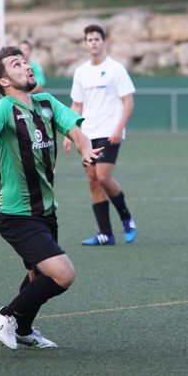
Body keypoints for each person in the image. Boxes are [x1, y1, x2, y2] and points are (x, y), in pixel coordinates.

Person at [0, 46, 102, 351]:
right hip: (15, 214)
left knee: (37, 275)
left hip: (46, 211)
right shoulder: (1, 110)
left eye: (25, 61)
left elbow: (75, 131)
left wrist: (85, 149)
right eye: (17, 64)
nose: (27, 66)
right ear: (4, 82)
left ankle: (23, 329)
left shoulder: (46, 103)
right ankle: (6, 315)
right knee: (63, 274)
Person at [64, 24, 137, 246]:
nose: (93, 43)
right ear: (85, 44)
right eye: (90, 39)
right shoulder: (81, 72)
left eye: (97, 39)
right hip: (87, 133)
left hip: (109, 131)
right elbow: (76, 105)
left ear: (104, 41)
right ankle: (105, 233)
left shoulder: (116, 69)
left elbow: (128, 102)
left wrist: (118, 128)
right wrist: (69, 133)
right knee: (93, 180)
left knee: (103, 177)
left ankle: (126, 218)